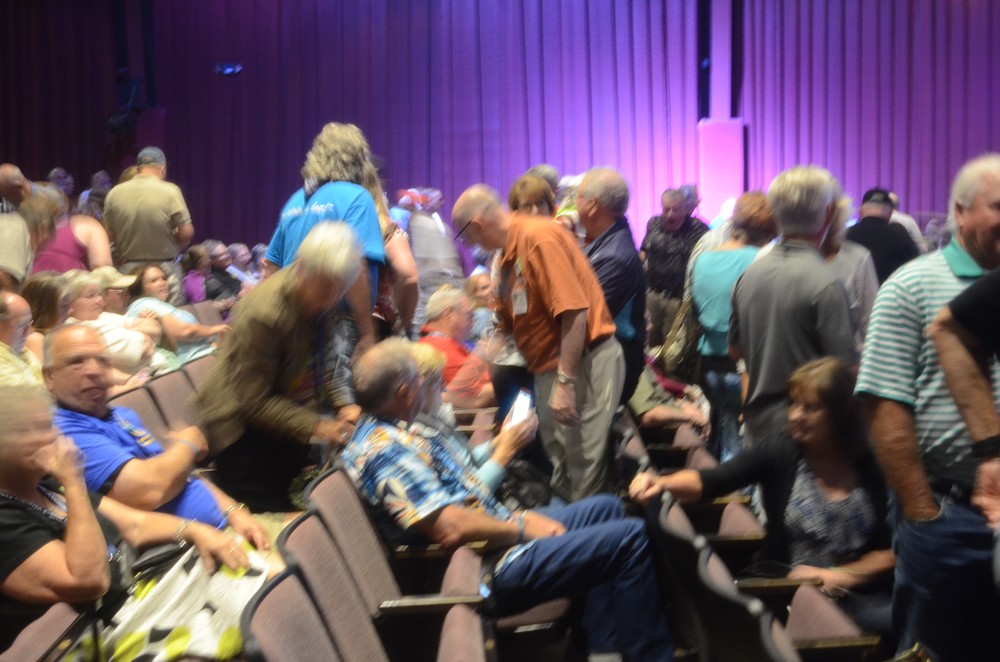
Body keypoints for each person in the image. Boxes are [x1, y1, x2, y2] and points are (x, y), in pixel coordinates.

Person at [342, 340, 673, 660]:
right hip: (486, 566)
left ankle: (601, 650)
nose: (433, 388)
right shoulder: (385, 451)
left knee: (606, 508)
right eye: (420, 380)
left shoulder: (397, 430)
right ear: (404, 393)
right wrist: (521, 527)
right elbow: (449, 528)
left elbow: (460, 491)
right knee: (630, 539)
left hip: (492, 537)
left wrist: (517, 517)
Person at [0, 384, 268, 659]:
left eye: (47, 426)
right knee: (259, 609)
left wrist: (196, 530)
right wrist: (73, 482)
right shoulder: (7, 516)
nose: (50, 438)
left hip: (144, 594)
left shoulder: (46, 487)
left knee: (262, 575)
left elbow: (134, 525)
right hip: (103, 634)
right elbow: (89, 581)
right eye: (27, 430)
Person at [631, 357, 894, 637]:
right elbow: (710, 481)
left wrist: (840, 576)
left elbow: (892, 553)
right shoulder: (781, 451)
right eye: (793, 404)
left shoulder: (871, 464)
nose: (795, 415)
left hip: (855, 596)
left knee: (899, 616)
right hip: (787, 594)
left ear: (839, 415)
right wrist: (660, 482)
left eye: (810, 408)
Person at [856, 153, 1000, 660]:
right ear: (960, 211)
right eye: (999, 207)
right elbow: (885, 407)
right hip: (949, 515)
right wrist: (923, 513)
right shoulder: (911, 287)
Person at [453, 185, 623, 500]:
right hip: (550, 370)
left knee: (583, 473)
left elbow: (574, 313)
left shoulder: (537, 237)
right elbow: (504, 330)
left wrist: (565, 382)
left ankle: (596, 528)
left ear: (477, 225)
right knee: (561, 471)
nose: (470, 245)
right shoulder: (506, 255)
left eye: (466, 237)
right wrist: (461, 386)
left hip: (581, 363)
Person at [46, 324, 269, 544]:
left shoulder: (122, 414)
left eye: (103, 360)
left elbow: (183, 473)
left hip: (229, 528)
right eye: (76, 362)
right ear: (49, 377)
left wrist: (235, 511)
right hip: (190, 549)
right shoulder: (63, 432)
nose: (94, 371)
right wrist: (188, 444)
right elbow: (150, 490)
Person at [196, 222, 365, 513]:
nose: (328, 300)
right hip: (240, 431)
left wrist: (343, 404)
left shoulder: (323, 286)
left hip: (283, 418)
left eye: (337, 291)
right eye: (323, 289)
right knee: (277, 520)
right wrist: (321, 427)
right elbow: (253, 401)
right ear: (302, 267)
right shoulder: (264, 313)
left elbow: (320, 359)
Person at [731, 166, 857, 445]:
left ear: (774, 214)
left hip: (757, 434)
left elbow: (735, 349)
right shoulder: (826, 283)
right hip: (806, 438)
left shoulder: (749, 275)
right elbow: (844, 372)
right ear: (828, 214)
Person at [263, 122, 383, 362]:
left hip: (293, 322)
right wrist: (367, 332)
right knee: (340, 387)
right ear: (359, 160)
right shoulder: (357, 198)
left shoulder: (295, 201)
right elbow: (357, 267)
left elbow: (270, 265)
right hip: (338, 326)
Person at [690, 191, 776, 461]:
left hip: (709, 363)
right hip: (745, 366)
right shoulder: (761, 260)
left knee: (726, 438)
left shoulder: (703, 258)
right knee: (747, 448)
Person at [576, 167, 646, 405]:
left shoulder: (615, 256)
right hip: (596, 365)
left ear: (592, 205)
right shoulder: (603, 242)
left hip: (607, 370)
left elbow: (582, 318)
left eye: (578, 196)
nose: (574, 203)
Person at [103, 147, 195, 304]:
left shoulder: (114, 193)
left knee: (133, 313)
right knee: (170, 314)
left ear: (138, 168)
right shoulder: (170, 191)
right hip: (165, 269)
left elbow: (109, 236)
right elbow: (186, 234)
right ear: (162, 168)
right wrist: (172, 234)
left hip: (129, 270)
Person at [64, 269, 175, 377]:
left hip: (162, 371)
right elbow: (144, 350)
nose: (100, 301)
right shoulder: (82, 330)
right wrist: (142, 332)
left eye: (99, 294)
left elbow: (155, 327)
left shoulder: (101, 316)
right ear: (70, 303)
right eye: (90, 296)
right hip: (147, 380)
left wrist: (132, 332)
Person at [641, 188, 708, 347]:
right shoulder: (654, 224)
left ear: (685, 209)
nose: (670, 215)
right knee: (650, 342)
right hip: (653, 294)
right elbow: (644, 251)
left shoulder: (698, 229)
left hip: (679, 298)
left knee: (673, 346)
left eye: (675, 209)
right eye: (666, 209)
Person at [126, 264, 227, 364]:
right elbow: (183, 331)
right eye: (154, 280)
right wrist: (215, 329)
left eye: (164, 278)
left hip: (203, 356)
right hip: (194, 362)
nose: (163, 283)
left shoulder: (152, 304)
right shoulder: (146, 303)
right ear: (139, 286)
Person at [845, 188, 920, 284]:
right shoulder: (900, 236)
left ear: (860, 211)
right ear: (890, 213)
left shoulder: (845, 235)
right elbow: (915, 268)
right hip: (890, 292)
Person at [20, 271, 71, 361]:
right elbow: (40, 370)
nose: (70, 311)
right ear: (43, 310)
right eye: (64, 306)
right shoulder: (35, 339)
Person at [0, 291, 42, 387]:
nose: (29, 331)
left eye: (30, 323)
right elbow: (29, 394)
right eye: (22, 325)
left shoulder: (22, 351)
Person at [464, 272, 492, 342]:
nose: (491, 289)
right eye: (484, 288)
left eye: (492, 285)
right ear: (474, 294)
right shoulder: (482, 313)